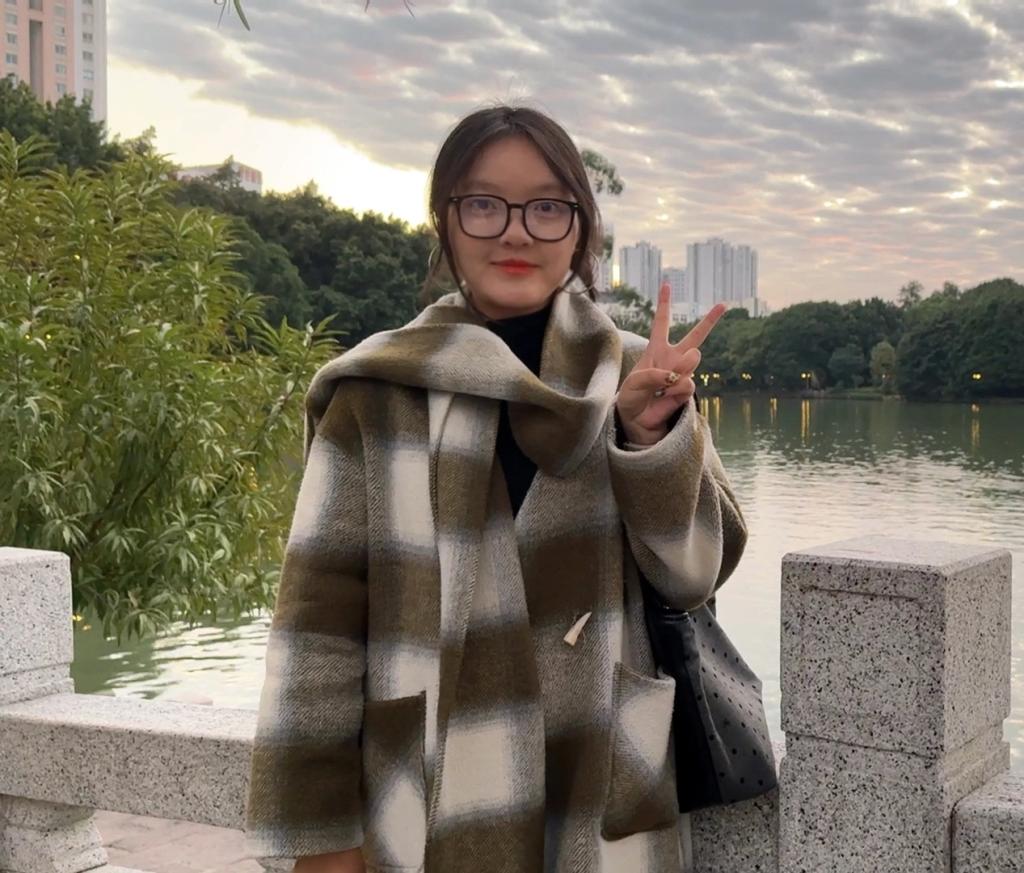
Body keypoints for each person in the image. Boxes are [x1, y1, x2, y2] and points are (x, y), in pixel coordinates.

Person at [243, 104, 747, 873]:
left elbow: (695, 573)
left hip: (603, 782)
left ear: (580, 230)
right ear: (445, 222)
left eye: (546, 207)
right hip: (430, 792)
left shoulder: (635, 377)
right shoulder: (376, 393)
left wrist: (649, 441)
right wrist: (321, 838)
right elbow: (317, 635)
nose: (515, 232)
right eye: (484, 204)